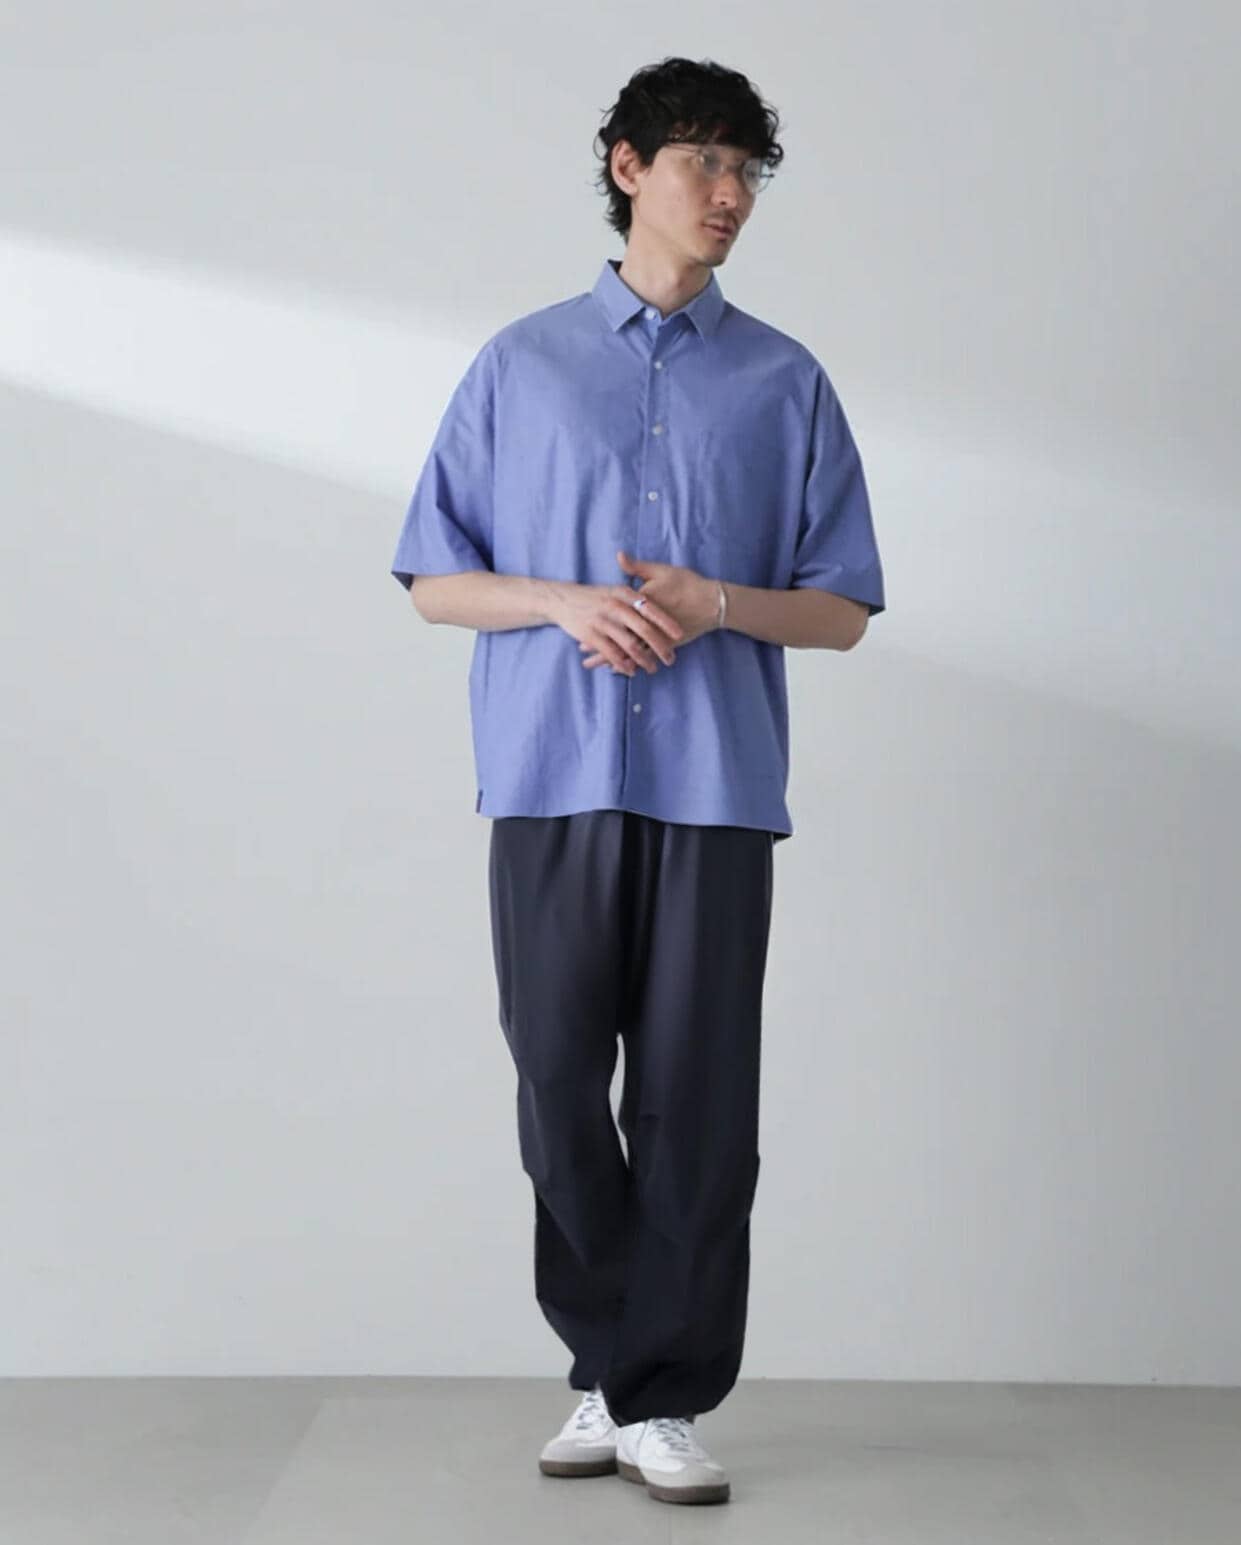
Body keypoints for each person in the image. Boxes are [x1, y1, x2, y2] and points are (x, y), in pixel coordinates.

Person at [390, 55, 885, 1506]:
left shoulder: (785, 381)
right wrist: (560, 601)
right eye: (703, 163)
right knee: (557, 1078)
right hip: (549, 775)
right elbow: (433, 578)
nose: (730, 194)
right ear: (628, 167)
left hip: (716, 786)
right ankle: (607, 1361)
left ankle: (657, 1394)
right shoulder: (521, 366)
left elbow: (843, 609)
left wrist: (717, 604)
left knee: (697, 1100)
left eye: (748, 170)